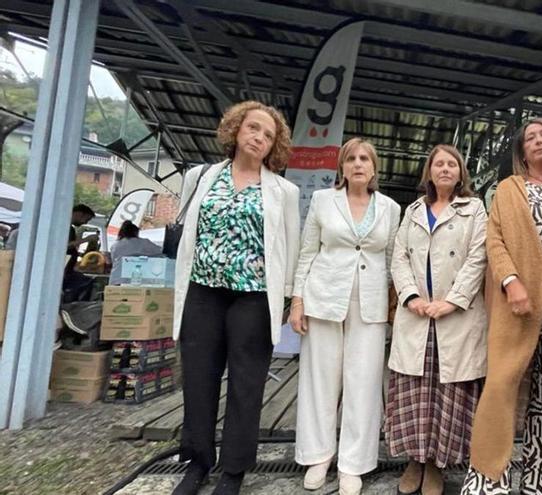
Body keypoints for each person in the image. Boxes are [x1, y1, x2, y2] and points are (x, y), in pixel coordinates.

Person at [171, 101, 300, 495]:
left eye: (268, 135)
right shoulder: (200, 177)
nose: (259, 138)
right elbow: (186, 231)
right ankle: (197, 462)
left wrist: (288, 298)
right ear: (236, 129)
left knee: (247, 383)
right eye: (253, 128)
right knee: (199, 378)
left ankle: (234, 470)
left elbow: (291, 248)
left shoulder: (284, 191)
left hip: (254, 297)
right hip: (203, 291)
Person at [462, 118, 542, 494]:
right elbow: (495, 239)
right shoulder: (509, 188)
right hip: (520, 306)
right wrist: (510, 281)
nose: (538, 142)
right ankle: (487, 482)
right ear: (521, 151)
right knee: (501, 391)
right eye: (530, 138)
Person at [291, 138, 401, 495]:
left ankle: (353, 462)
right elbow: (307, 252)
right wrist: (297, 300)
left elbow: (393, 258)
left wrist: (392, 301)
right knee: (320, 377)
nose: (358, 163)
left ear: (374, 168)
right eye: (351, 158)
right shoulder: (324, 201)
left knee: (364, 380)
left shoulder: (389, 208)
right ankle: (318, 455)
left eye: (364, 158)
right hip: (323, 295)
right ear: (342, 167)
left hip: (369, 303)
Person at [385, 144, 488, 495]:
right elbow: (398, 257)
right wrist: (411, 296)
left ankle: (437, 465)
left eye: (451, 164)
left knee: (447, 392)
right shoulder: (413, 210)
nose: (444, 169)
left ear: (461, 172)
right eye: (438, 164)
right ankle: (415, 460)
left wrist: (453, 301)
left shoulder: (474, 209)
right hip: (416, 316)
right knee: (414, 391)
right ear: (428, 172)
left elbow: (479, 258)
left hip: (454, 317)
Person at [109, 220, 162, 285]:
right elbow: (161, 251)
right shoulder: (143, 243)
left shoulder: (115, 246)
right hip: (135, 281)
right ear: (135, 232)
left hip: (116, 280)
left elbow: (114, 261)